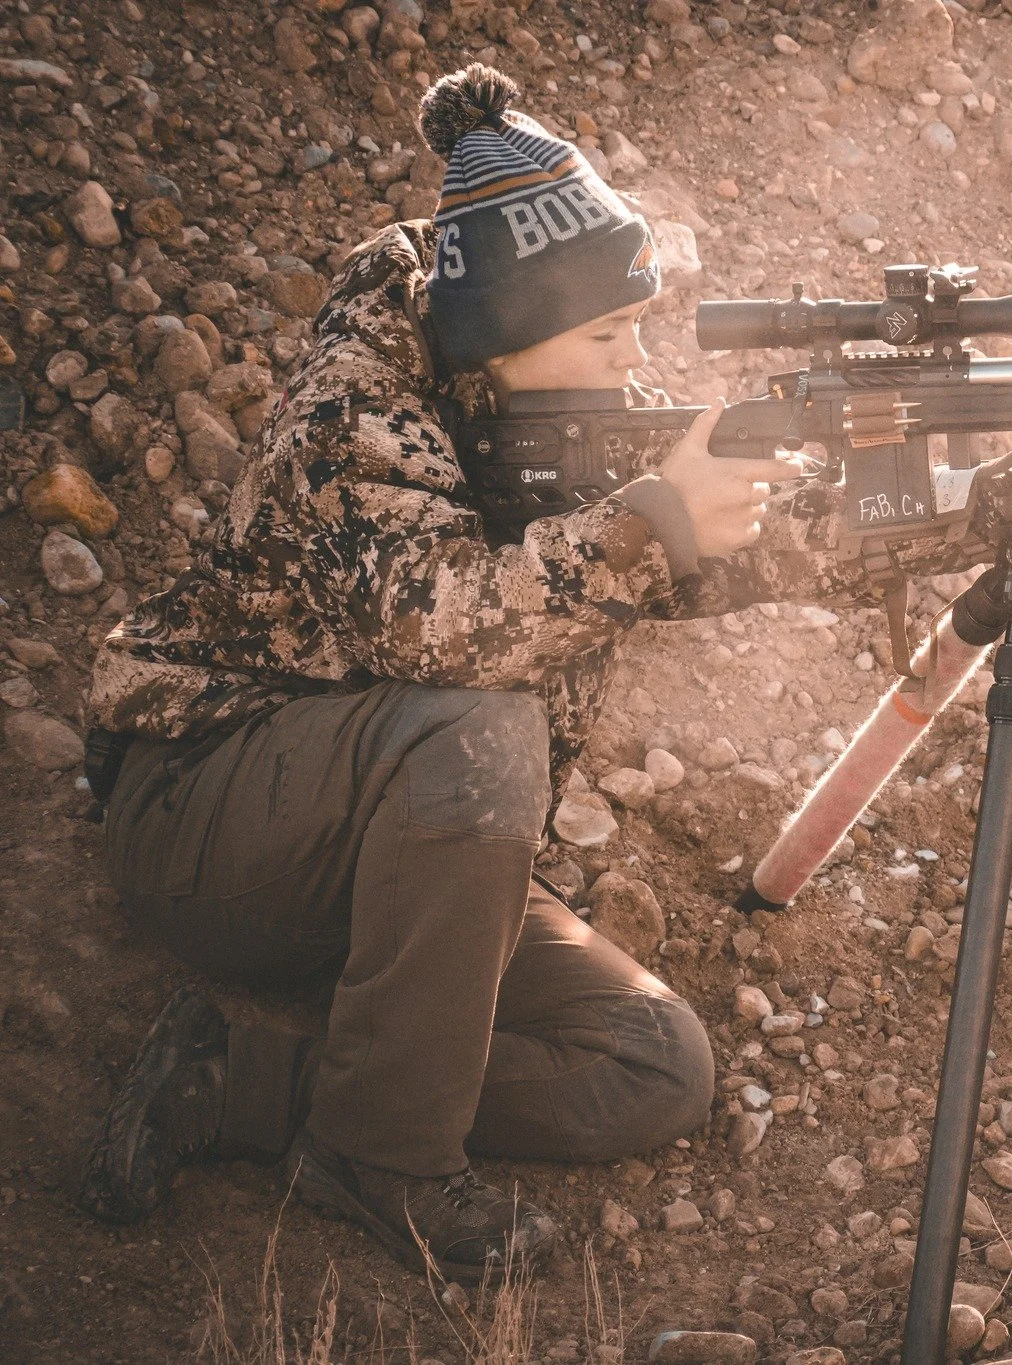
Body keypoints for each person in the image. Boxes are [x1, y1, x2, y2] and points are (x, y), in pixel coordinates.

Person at [73, 65, 930, 1282]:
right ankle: (387, 1160)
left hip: (397, 864)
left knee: (651, 1066)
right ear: (507, 332)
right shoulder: (348, 420)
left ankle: (252, 1083)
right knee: (483, 729)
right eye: (606, 334)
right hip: (208, 822)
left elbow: (699, 553)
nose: (633, 362)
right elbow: (446, 636)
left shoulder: (548, 405)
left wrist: (947, 513)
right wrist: (649, 521)